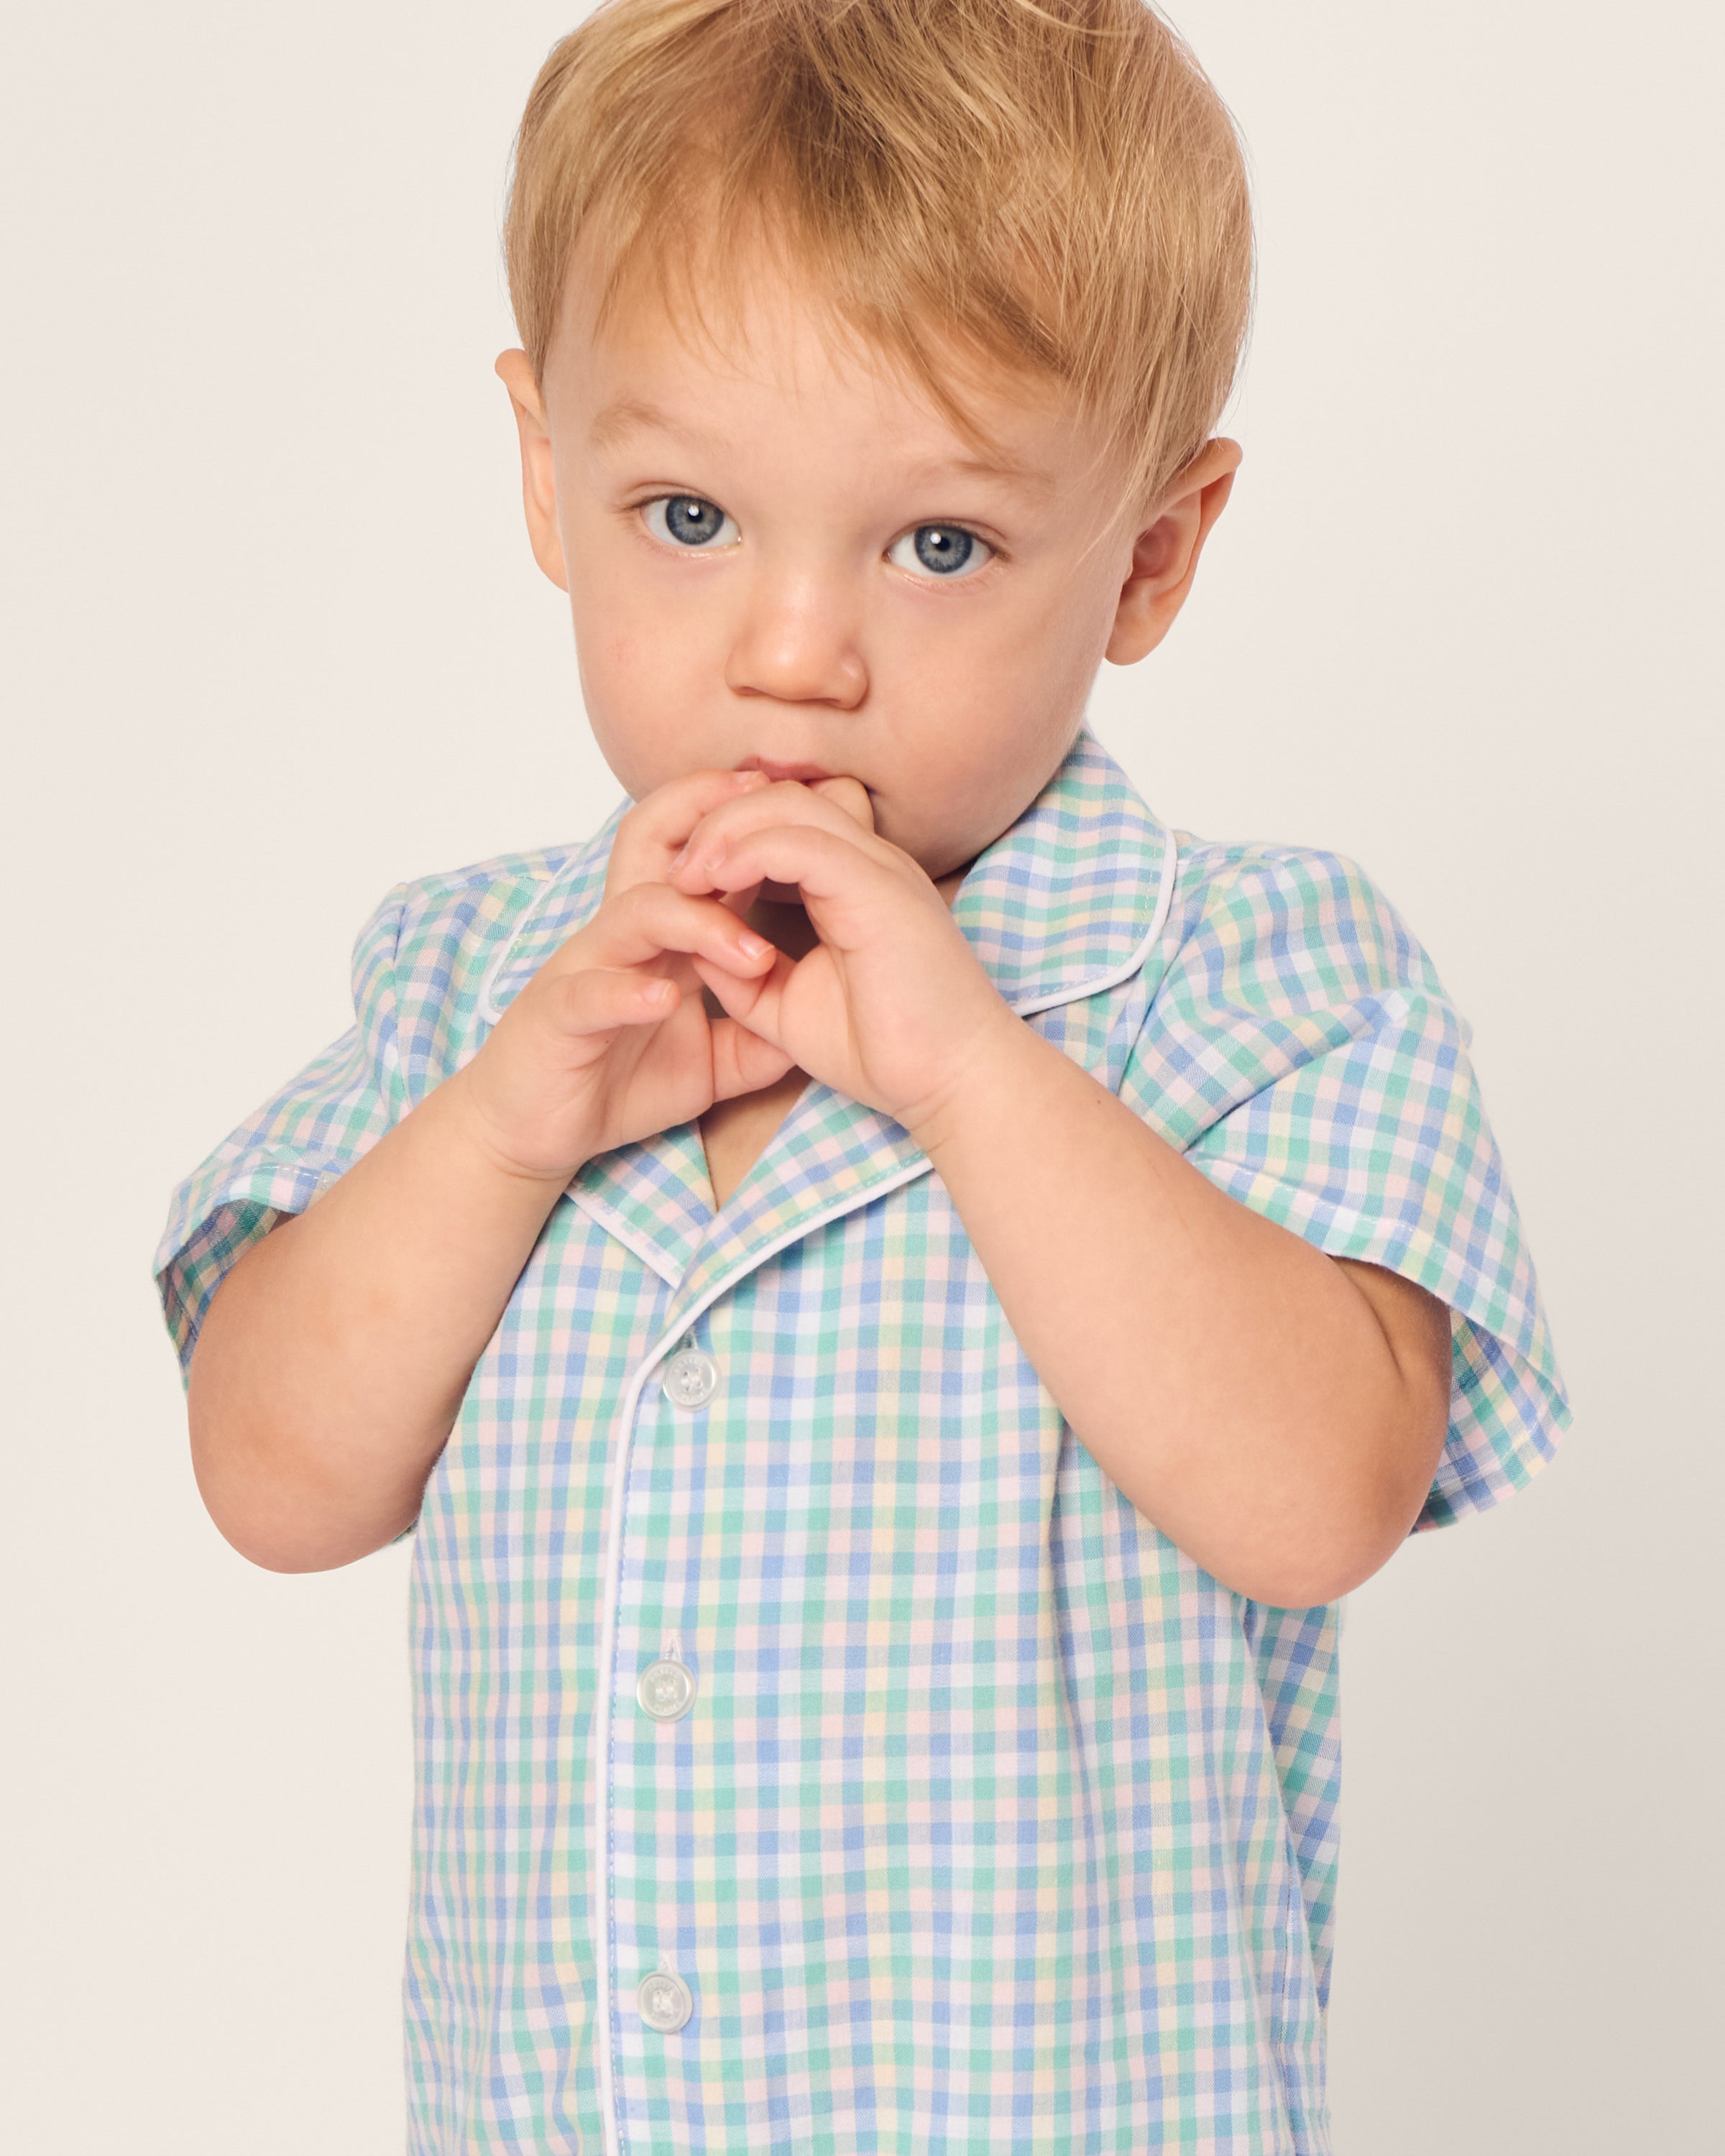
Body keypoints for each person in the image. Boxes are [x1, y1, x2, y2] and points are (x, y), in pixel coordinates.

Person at [154, 2, 1570, 2149]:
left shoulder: (1253, 977)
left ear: (1153, 556)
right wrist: (517, 1119)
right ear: (548, 473)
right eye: (690, 513)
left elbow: (1318, 1501)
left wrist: (973, 1072)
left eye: (937, 548)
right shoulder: (473, 989)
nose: (793, 650)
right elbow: (273, 1478)